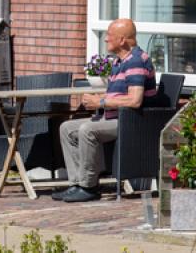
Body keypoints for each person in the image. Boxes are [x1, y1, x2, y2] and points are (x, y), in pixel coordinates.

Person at [54, 18, 157, 203]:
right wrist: (98, 99)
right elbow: (120, 94)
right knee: (67, 128)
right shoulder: (120, 61)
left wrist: (100, 102)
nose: (105, 39)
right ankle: (77, 183)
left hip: (132, 122)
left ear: (123, 40)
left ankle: (89, 187)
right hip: (114, 117)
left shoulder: (136, 62)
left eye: (110, 35)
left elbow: (135, 100)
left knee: (87, 130)